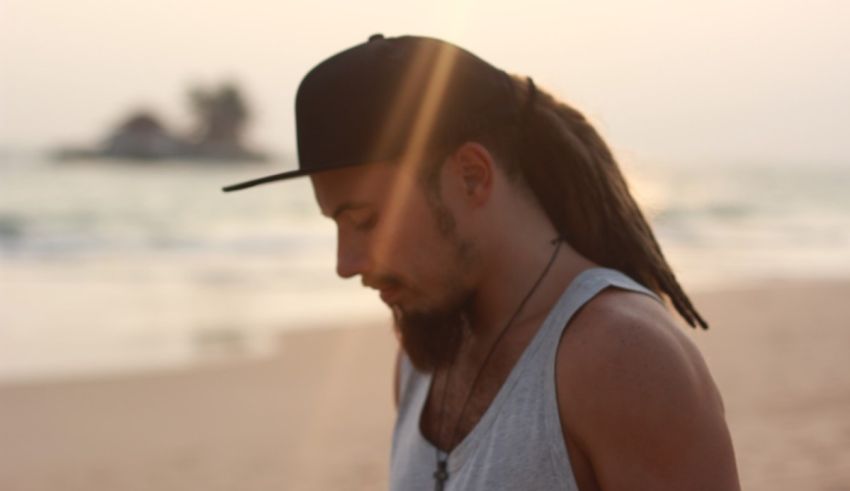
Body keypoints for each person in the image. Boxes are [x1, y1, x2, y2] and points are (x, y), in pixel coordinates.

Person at [224, 34, 740, 491]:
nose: (346, 263)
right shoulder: (422, 358)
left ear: (471, 176)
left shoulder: (623, 357)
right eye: (336, 225)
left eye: (366, 220)